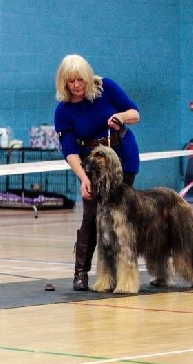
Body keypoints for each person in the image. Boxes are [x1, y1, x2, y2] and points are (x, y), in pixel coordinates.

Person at [54, 54, 141, 291]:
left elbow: (135, 113)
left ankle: (124, 274)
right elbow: (70, 150)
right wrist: (83, 178)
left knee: (122, 218)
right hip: (92, 166)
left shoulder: (107, 88)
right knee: (91, 216)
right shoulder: (63, 110)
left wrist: (120, 116)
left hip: (122, 158)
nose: (77, 86)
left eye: (80, 80)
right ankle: (81, 272)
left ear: (88, 77)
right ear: (64, 83)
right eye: (71, 82)